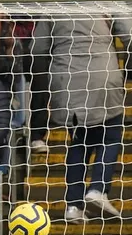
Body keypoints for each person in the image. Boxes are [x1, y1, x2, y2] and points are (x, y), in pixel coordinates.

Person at [32, 17, 127, 221]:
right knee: (110, 137)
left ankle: (73, 206)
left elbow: (38, 49)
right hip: (103, 76)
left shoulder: (54, 6)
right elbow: (129, 34)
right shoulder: (106, 3)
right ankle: (98, 189)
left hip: (67, 81)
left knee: (79, 142)